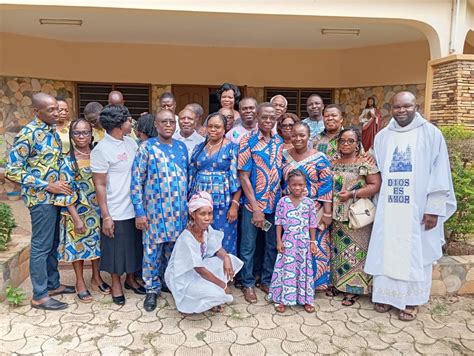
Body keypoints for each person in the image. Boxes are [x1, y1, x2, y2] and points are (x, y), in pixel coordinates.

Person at [364, 92, 456, 321]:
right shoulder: (383, 136)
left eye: (407, 106)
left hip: (418, 209)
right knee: (386, 247)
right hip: (389, 206)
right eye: (397, 107)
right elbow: (376, 167)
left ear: (416, 106)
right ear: (391, 108)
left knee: (417, 251)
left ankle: (411, 301)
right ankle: (385, 296)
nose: (402, 111)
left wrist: (434, 208)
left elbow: (440, 172)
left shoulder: (431, 134)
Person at [6, 93, 75, 310]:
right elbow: (12, 170)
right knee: (41, 246)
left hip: (55, 199)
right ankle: (39, 295)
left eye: (57, 108)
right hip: (41, 199)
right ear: (37, 112)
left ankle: (52, 284)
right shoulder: (29, 134)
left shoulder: (51, 130)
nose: (57, 113)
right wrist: (47, 185)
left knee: (53, 243)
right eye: (51, 110)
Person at [131, 109, 189, 312]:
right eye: (163, 122)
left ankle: (168, 283)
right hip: (154, 212)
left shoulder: (182, 147)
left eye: (171, 122)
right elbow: (136, 181)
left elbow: (187, 180)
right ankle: (152, 289)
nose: (168, 125)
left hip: (178, 212)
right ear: (156, 124)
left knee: (173, 251)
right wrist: (140, 212)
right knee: (151, 251)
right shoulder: (146, 148)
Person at [91, 105, 144, 306]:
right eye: (129, 120)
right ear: (119, 125)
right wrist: (106, 215)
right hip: (115, 208)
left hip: (135, 207)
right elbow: (99, 184)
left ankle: (130, 279)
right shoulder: (102, 150)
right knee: (115, 250)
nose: (131, 123)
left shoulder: (131, 143)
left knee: (132, 247)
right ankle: (116, 284)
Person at [55, 118, 111, 303]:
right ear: (71, 136)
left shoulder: (98, 154)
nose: (81, 136)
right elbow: (65, 190)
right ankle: (80, 282)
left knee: (96, 245)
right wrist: (76, 217)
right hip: (77, 211)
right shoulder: (67, 160)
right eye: (77, 133)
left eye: (85, 132)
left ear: (91, 134)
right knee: (78, 246)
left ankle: (96, 278)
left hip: (97, 209)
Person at [165, 192, 243, 314]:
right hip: (183, 279)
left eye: (209, 213)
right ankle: (202, 296)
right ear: (193, 215)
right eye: (202, 214)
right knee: (216, 293)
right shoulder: (187, 238)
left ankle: (209, 294)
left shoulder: (205, 229)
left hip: (198, 271)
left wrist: (226, 257)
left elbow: (217, 248)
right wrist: (223, 285)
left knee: (230, 260)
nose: (207, 218)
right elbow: (199, 269)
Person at [238, 102, 283, 303]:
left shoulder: (279, 142)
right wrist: (256, 207)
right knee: (248, 245)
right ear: (257, 117)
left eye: (272, 118)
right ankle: (247, 283)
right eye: (264, 117)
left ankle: (266, 280)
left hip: (274, 204)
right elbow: (243, 176)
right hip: (252, 205)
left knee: (272, 244)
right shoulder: (247, 140)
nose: (268, 121)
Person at [331, 128, 381, 306]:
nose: (345, 144)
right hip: (337, 216)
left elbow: (375, 185)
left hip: (356, 215)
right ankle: (339, 284)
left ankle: (354, 289)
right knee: (338, 252)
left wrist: (353, 194)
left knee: (355, 253)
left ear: (357, 143)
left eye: (350, 141)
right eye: (342, 140)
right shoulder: (333, 162)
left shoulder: (365, 162)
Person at [282, 122, 333, 291]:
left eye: (302, 135)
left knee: (314, 245)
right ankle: (293, 283)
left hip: (314, 210)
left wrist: (326, 211)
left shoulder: (320, 158)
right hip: (290, 210)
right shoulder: (284, 155)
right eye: (294, 135)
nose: (298, 138)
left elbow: (326, 185)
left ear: (308, 136)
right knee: (292, 247)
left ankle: (315, 285)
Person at [189, 113, 241, 255]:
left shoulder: (232, 148)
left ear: (225, 129)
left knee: (224, 237)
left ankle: (227, 274)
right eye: (210, 126)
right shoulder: (199, 147)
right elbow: (192, 174)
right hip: (200, 203)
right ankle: (204, 274)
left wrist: (234, 205)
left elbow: (238, 178)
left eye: (217, 127)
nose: (213, 130)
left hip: (223, 204)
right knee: (201, 237)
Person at [268, 169, 318, 313]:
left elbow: (312, 224)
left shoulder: (309, 203)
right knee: (286, 269)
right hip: (288, 242)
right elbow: (278, 223)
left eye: (300, 185)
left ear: (305, 185)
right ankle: (282, 299)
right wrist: (279, 241)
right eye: (294, 185)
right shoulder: (283, 202)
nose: (297, 188)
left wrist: (312, 242)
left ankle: (306, 300)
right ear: (288, 185)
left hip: (304, 243)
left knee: (303, 269)